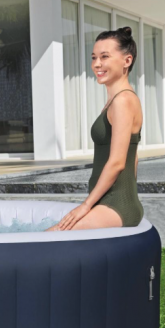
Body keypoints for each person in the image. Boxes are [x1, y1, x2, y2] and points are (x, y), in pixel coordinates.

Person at [46, 26, 144, 231]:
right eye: (94, 57)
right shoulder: (116, 100)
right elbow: (132, 157)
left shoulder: (123, 100)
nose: (97, 64)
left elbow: (117, 162)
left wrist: (85, 206)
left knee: (47, 238)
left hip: (116, 204)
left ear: (127, 60)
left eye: (104, 57)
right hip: (111, 201)